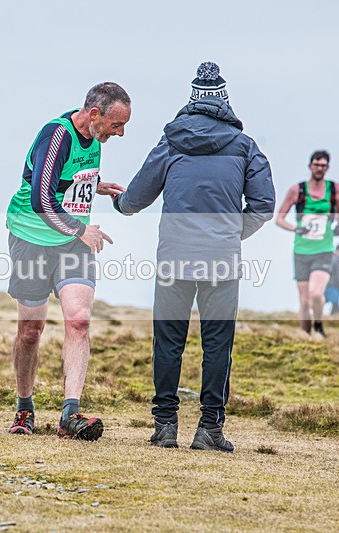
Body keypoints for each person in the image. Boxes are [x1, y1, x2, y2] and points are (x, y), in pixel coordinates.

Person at [113, 62, 275, 452]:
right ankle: (209, 430)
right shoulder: (245, 147)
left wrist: (119, 203)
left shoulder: (171, 142)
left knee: (168, 341)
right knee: (218, 343)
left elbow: (136, 198)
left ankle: (165, 426)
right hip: (222, 258)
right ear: (224, 100)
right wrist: (230, 233)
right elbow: (263, 205)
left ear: (192, 99)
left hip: (174, 255)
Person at [4, 82, 131, 440]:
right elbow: (42, 200)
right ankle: (24, 408)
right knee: (31, 331)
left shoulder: (94, 138)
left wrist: (97, 185)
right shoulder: (56, 135)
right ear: (95, 114)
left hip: (74, 244)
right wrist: (80, 229)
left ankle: (70, 415)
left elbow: (68, 177)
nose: (120, 133)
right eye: (116, 125)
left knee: (79, 320)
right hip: (31, 238)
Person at [275, 149, 339, 337]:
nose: (319, 168)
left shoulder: (336, 189)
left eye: (323, 165)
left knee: (316, 293)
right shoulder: (297, 190)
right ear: (310, 166)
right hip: (301, 250)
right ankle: (306, 336)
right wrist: (295, 229)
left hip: (324, 249)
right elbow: (279, 219)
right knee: (304, 301)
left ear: (327, 167)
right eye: (316, 165)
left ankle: (319, 326)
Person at [325, 244, 339, 315]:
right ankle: (336, 315)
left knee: (330, 301)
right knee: (335, 302)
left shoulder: (330, 258)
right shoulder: (336, 260)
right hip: (333, 284)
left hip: (327, 283)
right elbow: (338, 275)